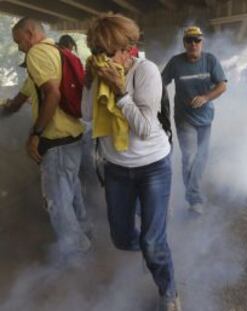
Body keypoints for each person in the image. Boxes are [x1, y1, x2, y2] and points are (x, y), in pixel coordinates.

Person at [82, 13, 180, 311]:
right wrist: (90, 82)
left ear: (128, 49)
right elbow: (87, 115)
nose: (103, 58)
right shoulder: (100, 74)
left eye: (108, 52)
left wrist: (120, 91)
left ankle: (169, 292)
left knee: (152, 242)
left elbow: (146, 128)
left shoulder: (145, 71)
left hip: (153, 167)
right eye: (97, 52)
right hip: (116, 169)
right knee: (122, 238)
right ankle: (151, 251)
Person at [10, 17, 91, 256]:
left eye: (19, 41)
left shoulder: (37, 54)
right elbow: (23, 96)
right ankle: (86, 232)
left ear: (30, 33)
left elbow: (52, 94)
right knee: (72, 192)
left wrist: (35, 134)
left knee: (57, 203)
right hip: (74, 136)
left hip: (55, 141)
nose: (19, 48)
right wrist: (9, 106)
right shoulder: (58, 52)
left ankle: (76, 252)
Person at [162, 26, 227, 214]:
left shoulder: (210, 60)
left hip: (206, 118)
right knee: (189, 158)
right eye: (189, 40)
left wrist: (206, 97)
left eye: (197, 40)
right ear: (184, 43)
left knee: (202, 158)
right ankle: (194, 199)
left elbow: (222, 85)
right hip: (184, 119)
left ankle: (193, 191)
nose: (193, 44)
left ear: (202, 42)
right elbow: (160, 82)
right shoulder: (175, 63)